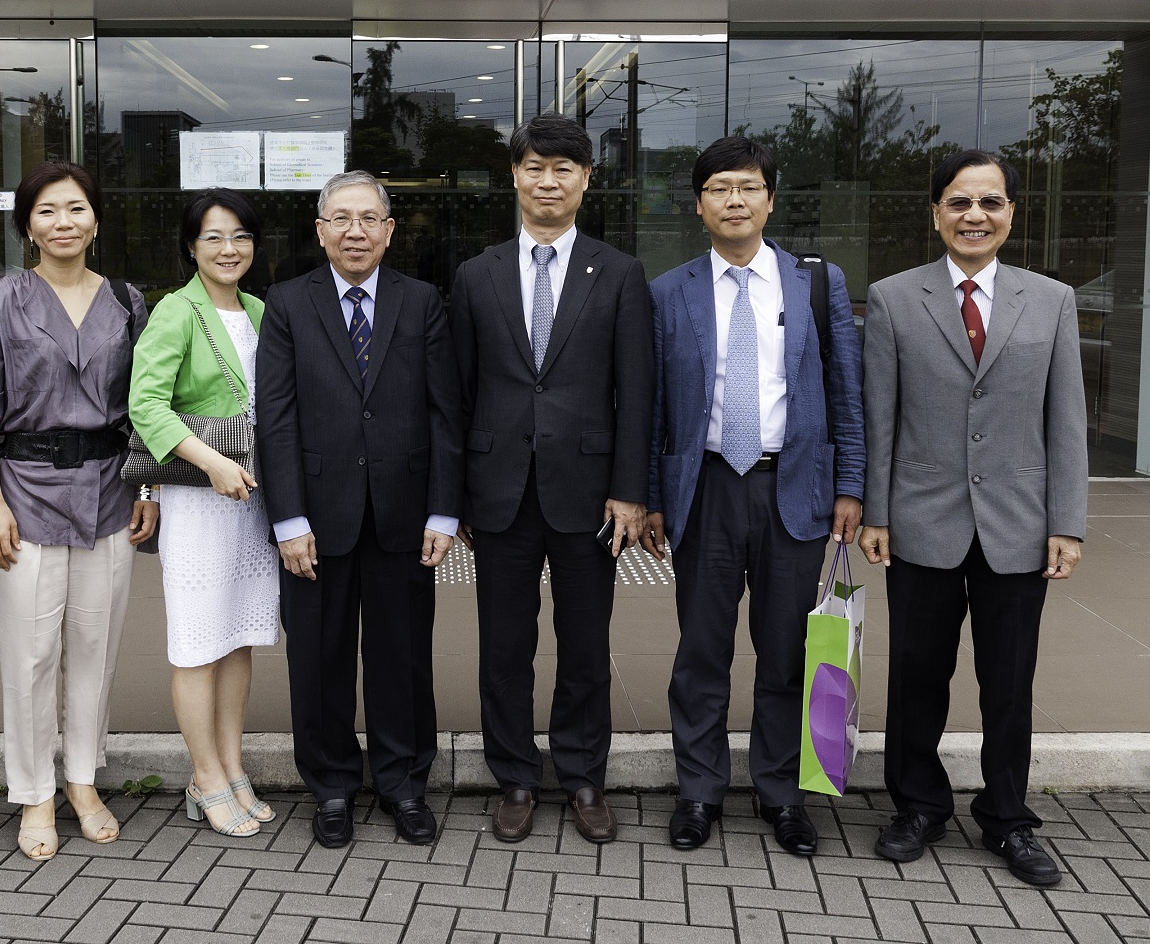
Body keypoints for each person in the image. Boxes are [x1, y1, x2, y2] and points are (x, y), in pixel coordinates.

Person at [858, 149, 1086, 888]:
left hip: (1019, 524)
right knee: (916, 676)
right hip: (922, 519)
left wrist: (1068, 521)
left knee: (1008, 682)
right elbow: (879, 418)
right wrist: (877, 512)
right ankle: (917, 807)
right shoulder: (893, 298)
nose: (973, 216)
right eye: (958, 203)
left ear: (1010, 214)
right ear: (935, 213)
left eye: (989, 203)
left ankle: (1007, 819)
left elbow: (1067, 422)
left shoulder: (1050, 300)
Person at [642, 136, 865, 855]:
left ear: (769, 199)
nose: (733, 200)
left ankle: (781, 794)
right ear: (698, 204)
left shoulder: (814, 283)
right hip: (703, 490)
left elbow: (844, 392)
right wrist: (649, 496)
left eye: (746, 187)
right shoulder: (668, 291)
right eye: (717, 188)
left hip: (792, 490)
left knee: (787, 654)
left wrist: (850, 485)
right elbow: (650, 407)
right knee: (700, 654)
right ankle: (699, 792)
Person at [449, 113, 653, 845]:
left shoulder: (620, 273)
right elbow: (457, 394)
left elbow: (637, 391)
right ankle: (513, 775)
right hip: (498, 492)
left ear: (586, 179)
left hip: (590, 494)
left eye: (563, 168)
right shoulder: (477, 274)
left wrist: (631, 491)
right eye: (534, 167)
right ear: (514, 176)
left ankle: (583, 776)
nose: (547, 181)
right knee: (503, 648)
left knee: (585, 648)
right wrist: (455, 498)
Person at [0, 162, 158, 861]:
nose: (62, 222)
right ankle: (34, 792)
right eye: (47, 211)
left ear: (96, 219)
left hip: (108, 492)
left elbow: (147, 411)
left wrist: (148, 490)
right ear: (26, 225)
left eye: (75, 208)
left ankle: (81, 781)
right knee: (31, 654)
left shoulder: (130, 302)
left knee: (95, 651)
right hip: (24, 490)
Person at [256, 170, 462, 849]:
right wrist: (287, 519)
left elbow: (443, 414)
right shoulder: (286, 303)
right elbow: (276, 420)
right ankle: (334, 785)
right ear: (319, 230)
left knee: (402, 657)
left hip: (405, 515)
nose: (355, 231)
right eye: (340, 219)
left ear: (389, 229)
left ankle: (403, 783)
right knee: (318, 660)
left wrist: (442, 511)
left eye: (369, 218)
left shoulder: (424, 300)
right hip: (314, 518)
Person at [129, 190, 281, 838]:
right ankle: (204, 775)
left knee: (237, 636)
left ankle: (231, 765)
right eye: (214, 237)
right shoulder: (175, 310)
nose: (229, 248)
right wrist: (211, 464)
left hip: (251, 502)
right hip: (198, 499)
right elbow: (145, 403)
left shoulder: (259, 311)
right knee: (196, 644)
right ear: (191, 246)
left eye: (240, 236)